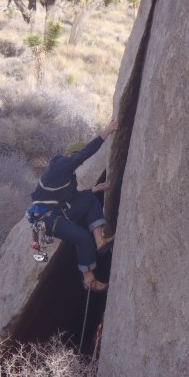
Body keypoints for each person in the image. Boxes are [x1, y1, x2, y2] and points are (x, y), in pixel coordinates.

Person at [29, 119, 118, 292]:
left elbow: (73, 198)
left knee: (90, 199)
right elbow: (84, 154)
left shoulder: (69, 177)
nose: (81, 164)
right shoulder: (59, 165)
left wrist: (94, 189)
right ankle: (88, 279)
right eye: (78, 160)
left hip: (59, 211)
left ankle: (100, 241)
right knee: (82, 238)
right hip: (45, 218)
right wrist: (106, 132)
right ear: (70, 155)